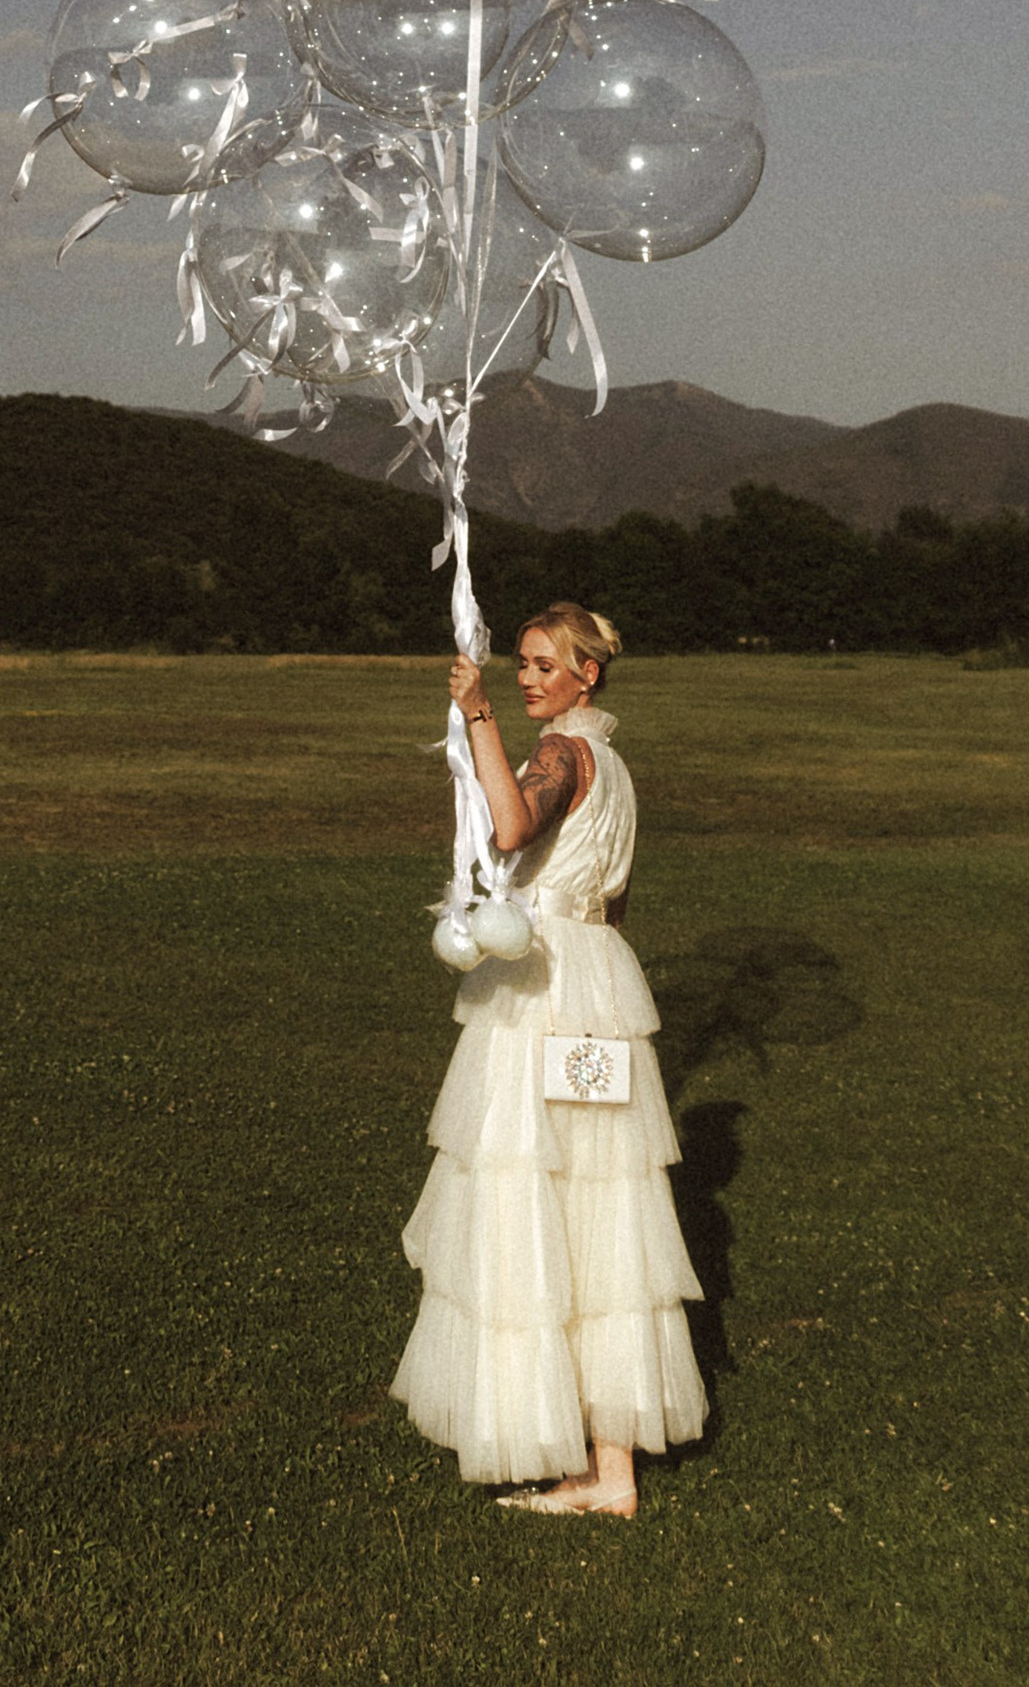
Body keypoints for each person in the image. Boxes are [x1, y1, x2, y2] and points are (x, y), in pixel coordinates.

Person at [390, 599, 706, 1516]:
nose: (526, 677)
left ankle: (586, 1457)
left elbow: (513, 829)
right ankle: (608, 1470)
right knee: (599, 1210)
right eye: (519, 665)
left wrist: (478, 715)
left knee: (540, 1194)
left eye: (539, 665)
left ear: (584, 675)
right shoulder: (616, 765)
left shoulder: (566, 753)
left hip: (555, 995)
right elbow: (612, 896)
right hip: (599, 983)